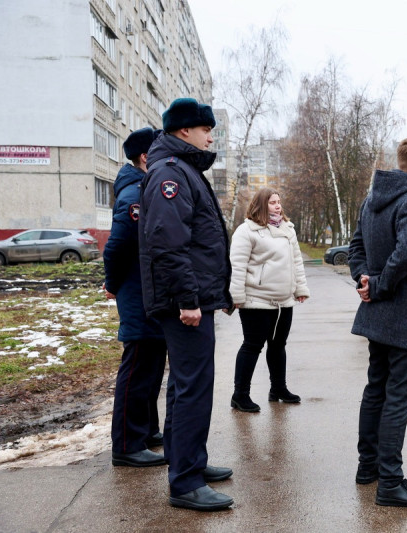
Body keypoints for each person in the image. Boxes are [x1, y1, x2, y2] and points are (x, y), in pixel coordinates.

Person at [138, 98, 234, 511]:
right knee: (194, 388)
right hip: (184, 303)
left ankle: (188, 461)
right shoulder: (170, 176)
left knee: (184, 387)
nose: (210, 136)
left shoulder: (183, 170)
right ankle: (186, 482)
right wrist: (188, 301)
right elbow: (169, 245)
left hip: (189, 299)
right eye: (205, 129)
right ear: (184, 131)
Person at [348, 137, 407, 508]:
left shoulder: (373, 198)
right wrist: (380, 285)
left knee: (376, 391)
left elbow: (356, 248)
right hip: (403, 312)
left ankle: (368, 468)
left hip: (378, 312)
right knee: (397, 399)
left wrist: (364, 280)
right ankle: (391, 483)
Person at [104, 127, 167, 468]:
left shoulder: (143, 188)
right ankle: (126, 444)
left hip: (149, 291)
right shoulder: (133, 194)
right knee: (138, 364)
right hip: (136, 291)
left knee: (153, 364)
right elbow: (116, 246)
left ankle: (145, 431)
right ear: (146, 157)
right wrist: (112, 284)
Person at [228, 187, 310, 412]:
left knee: (278, 346)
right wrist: (236, 296)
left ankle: (278, 389)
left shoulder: (287, 229)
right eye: (273, 202)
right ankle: (240, 395)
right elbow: (237, 266)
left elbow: (296, 262)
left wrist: (300, 289)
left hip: (284, 301)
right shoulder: (247, 231)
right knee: (252, 346)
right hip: (257, 300)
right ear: (261, 205)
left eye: (279, 201)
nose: (278, 206)